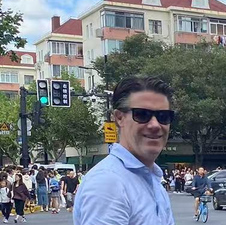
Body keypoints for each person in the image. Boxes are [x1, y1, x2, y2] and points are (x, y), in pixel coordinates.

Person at [74, 76, 175, 225]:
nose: (155, 125)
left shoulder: (152, 180)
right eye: (142, 115)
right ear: (119, 118)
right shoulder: (108, 182)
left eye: (163, 116)